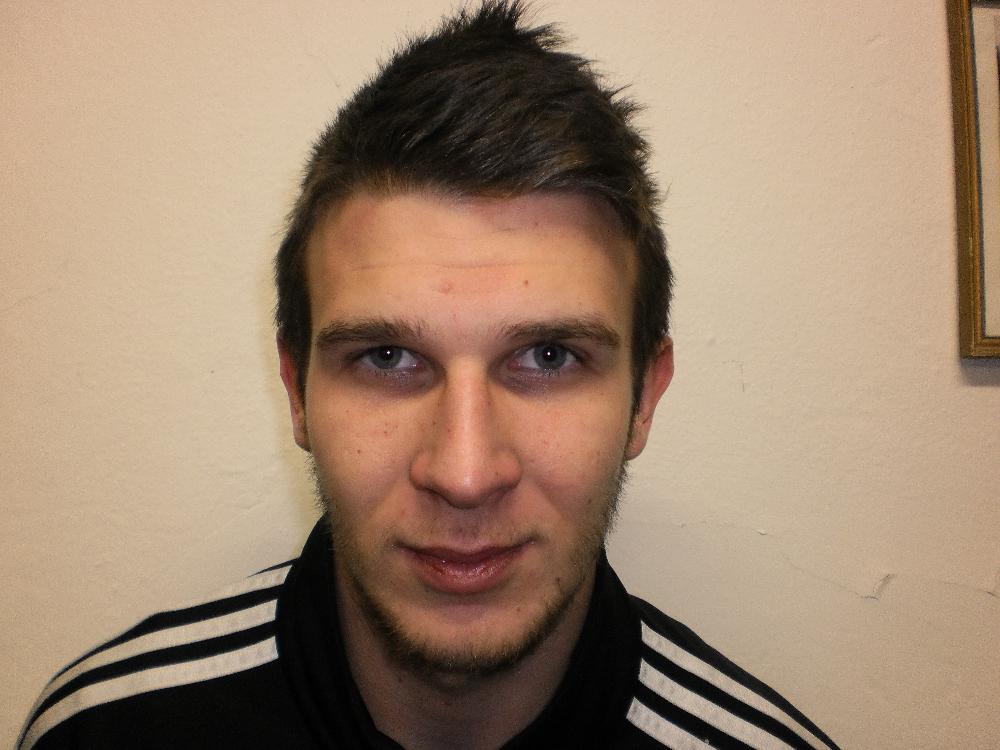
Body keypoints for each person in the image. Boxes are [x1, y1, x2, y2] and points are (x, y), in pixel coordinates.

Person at [18, 2, 840, 748]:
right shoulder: (101, 735)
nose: (465, 475)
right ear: (296, 390)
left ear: (644, 398)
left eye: (548, 357)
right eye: (387, 358)